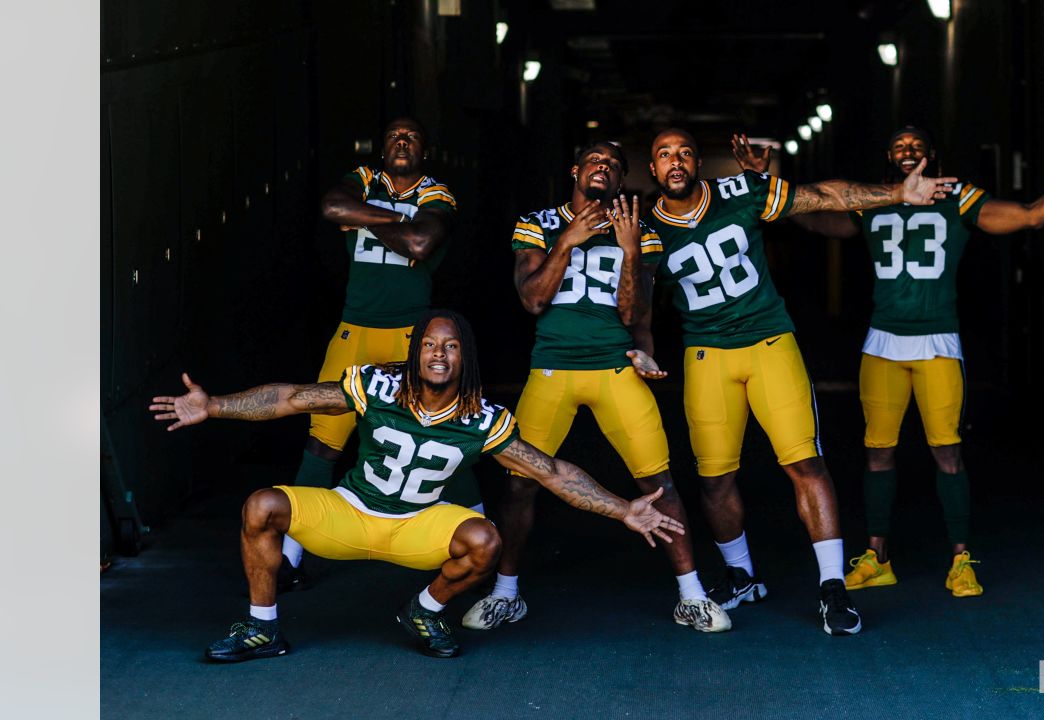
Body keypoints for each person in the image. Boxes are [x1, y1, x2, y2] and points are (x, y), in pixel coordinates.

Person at [150, 309, 684, 662]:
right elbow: (292, 397)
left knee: (485, 540)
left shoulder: (481, 419)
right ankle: (263, 627)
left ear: (462, 357)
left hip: (416, 527)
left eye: (449, 346)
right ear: (417, 351)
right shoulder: (377, 386)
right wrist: (213, 406)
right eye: (429, 344)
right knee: (262, 506)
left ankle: (424, 611)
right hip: (350, 512)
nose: (437, 354)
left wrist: (622, 509)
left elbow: (551, 471)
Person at [774, 122, 1044, 598]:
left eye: (916, 144)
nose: (907, 150)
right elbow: (814, 216)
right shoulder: (876, 198)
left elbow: (1031, 215)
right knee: (877, 453)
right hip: (882, 345)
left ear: (932, 154)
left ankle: (960, 559)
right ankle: (878, 557)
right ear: (888, 158)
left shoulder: (959, 196)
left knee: (947, 452)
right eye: (898, 145)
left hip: (937, 343)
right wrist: (770, 186)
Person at [645, 128, 958, 636]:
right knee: (713, 477)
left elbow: (825, 194)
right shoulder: (645, 227)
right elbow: (630, 294)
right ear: (654, 169)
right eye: (663, 154)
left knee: (805, 462)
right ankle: (741, 573)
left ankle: (832, 586)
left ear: (699, 162)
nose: (675, 161)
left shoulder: (743, 191)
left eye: (684, 152)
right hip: (706, 355)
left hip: (769, 342)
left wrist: (898, 193)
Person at [461, 143, 730, 634]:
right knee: (521, 480)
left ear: (624, 177)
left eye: (613, 164)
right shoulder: (537, 222)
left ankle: (692, 595)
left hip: (613, 366)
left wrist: (629, 250)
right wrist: (568, 239)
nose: (602, 167)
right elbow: (533, 300)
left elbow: (633, 314)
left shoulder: (640, 231)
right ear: (576, 169)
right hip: (551, 369)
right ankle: (506, 592)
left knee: (659, 481)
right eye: (594, 161)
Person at [276, 116, 480, 591]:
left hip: (412, 334)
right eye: (393, 137)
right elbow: (331, 205)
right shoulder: (364, 179)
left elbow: (423, 241)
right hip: (354, 330)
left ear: (424, 149)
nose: (401, 142)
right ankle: (289, 558)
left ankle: (484, 542)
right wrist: (398, 220)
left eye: (410, 136)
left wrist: (365, 215)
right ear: (381, 147)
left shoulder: (438, 192)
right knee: (323, 440)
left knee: (446, 439)